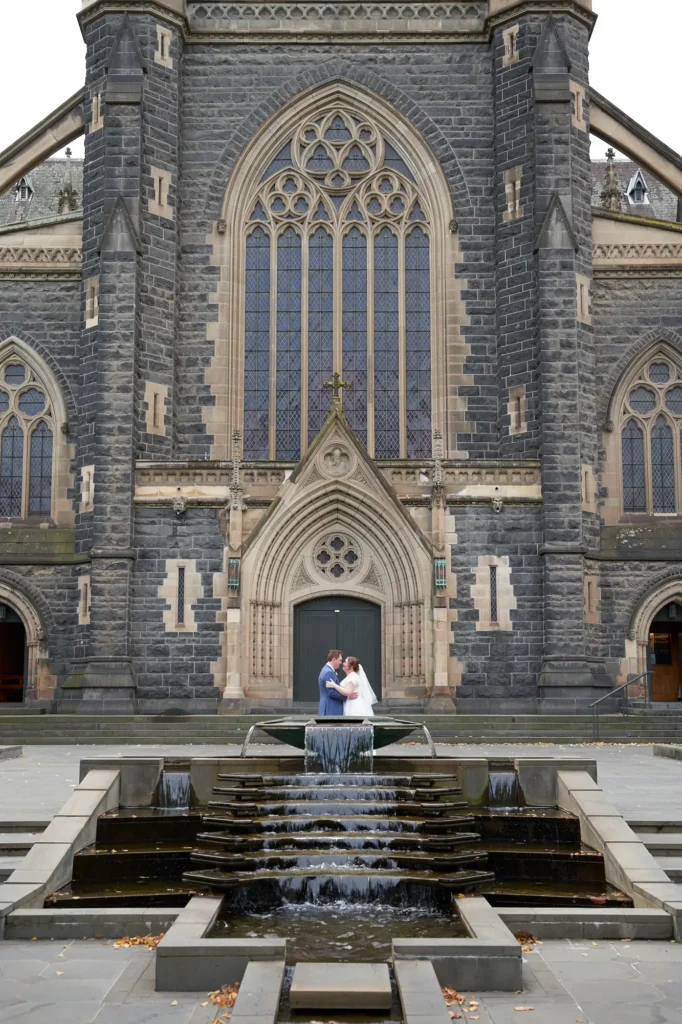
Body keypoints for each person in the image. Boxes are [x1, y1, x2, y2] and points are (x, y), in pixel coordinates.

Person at [317, 649, 358, 716]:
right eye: (340, 660)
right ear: (334, 660)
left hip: (330, 709)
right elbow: (332, 692)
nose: (341, 663)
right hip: (330, 709)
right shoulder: (328, 672)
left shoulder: (326, 670)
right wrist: (347, 696)